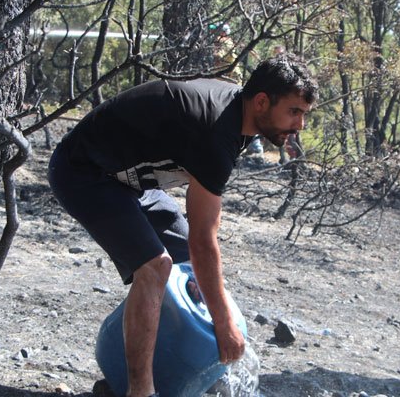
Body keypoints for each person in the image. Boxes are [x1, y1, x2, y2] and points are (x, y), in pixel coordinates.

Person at [47, 54, 317, 397]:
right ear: (262, 101)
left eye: (304, 114)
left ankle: (149, 370)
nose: (300, 125)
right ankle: (140, 391)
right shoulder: (217, 130)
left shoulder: (243, 115)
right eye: (295, 112)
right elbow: (205, 240)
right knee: (156, 267)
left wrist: (213, 300)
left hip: (130, 181)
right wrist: (223, 323)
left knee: (186, 264)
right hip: (83, 171)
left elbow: (197, 244)